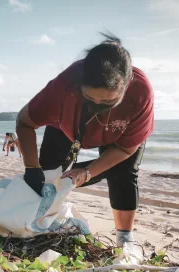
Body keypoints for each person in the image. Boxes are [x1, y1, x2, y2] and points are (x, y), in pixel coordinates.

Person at [16, 33, 154, 247]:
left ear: (126, 85)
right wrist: (32, 168)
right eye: (90, 97)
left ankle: (125, 238)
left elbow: (126, 150)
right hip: (65, 127)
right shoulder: (63, 86)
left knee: (123, 173)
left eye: (108, 100)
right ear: (79, 83)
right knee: (49, 176)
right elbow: (25, 122)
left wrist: (88, 172)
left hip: (119, 137)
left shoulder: (140, 93)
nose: (98, 104)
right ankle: (40, 222)